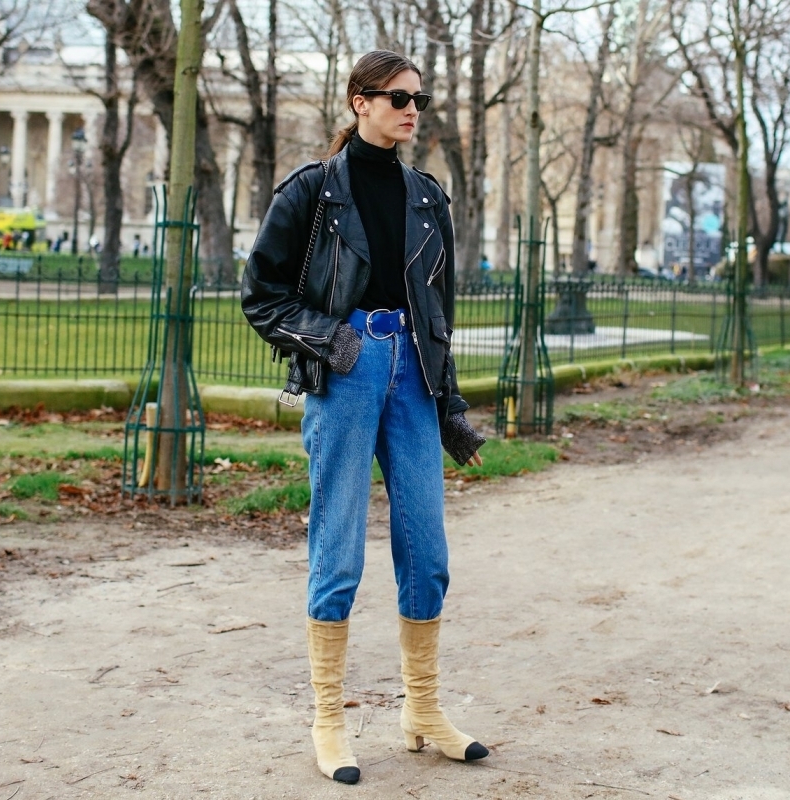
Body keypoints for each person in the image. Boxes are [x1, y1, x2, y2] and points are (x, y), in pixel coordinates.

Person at [242, 49, 489, 785]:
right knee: (339, 548)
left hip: (412, 374)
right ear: (360, 101)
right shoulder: (312, 192)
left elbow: (438, 313)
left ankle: (423, 710)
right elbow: (262, 295)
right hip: (346, 371)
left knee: (427, 552)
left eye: (419, 99)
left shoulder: (427, 197)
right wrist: (332, 341)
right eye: (398, 97)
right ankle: (328, 718)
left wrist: (449, 405)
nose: (412, 110)